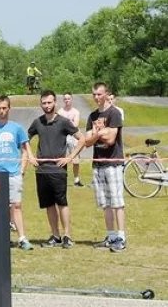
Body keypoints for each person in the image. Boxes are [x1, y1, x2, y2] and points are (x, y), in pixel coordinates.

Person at [69, 83, 126, 252]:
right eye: (94, 94)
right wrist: (99, 133)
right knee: (105, 203)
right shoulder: (92, 116)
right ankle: (111, 235)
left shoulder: (114, 113)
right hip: (98, 163)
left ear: (107, 94)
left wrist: (97, 134)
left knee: (117, 202)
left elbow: (111, 140)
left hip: (113, 162)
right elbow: (86, 142)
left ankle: (121, 237)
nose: (96, 97)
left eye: (99, 94)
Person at [27, 91, 83, 249]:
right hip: (42, 170)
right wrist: (30, 156)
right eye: (44, 103)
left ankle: (67, 236)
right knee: (49, 204)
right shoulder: (37, 122)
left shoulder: (64, 122)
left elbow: (83, 139)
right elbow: (24, 139)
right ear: (41, 104)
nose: (46, 106)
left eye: (49, 102)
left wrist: (70, 157)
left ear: (55, 103)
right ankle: (55, 235)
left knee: (62, 203)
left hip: (58, 171)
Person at [0, 96, 34, 250]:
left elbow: (25, 150)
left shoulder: (17, 128)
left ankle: (22, 238)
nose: (2, 111)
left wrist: (22, 169)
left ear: (9, 108)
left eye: (4, 108)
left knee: (16, 205)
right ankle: (1, 237)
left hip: (14, 173)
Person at [57, 93, 84, 187]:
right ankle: (61, 178)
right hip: (63, 136)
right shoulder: (60, 111)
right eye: (65, 99)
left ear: (72, 99)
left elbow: (75, 125)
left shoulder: (76, 112)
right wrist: (69, 121)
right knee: (62, 158)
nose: (67, 100)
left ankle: (76, 180)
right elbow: (58, 125)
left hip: (73, 136)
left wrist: (66, 121)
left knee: (75, 159)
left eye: (68, 98)